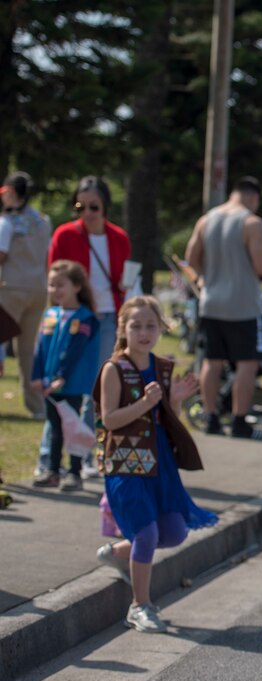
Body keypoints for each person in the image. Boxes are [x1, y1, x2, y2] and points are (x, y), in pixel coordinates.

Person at [93, 296, 217, 632]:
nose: (144, 332)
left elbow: (166, 420)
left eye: (151, 325)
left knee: (174, 533)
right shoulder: (114, 369)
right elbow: (110, 419)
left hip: (159, 465)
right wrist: (145, 402)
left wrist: (173, 400)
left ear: (161, 328)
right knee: (146, 533)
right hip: (124, 465)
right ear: (123, 328)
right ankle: (140, 606)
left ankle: (117, 553)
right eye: (136, 326)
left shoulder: (162, 367)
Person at [47, 176, 132, 479]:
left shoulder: (118, 237)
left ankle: (83, 457)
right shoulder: (66, 234)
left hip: (107, 317)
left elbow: (126, 276)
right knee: (64, 387)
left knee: (96, 390)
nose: (87, 211)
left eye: (93, 205)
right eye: (80, 205)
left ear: (105, 205)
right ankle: (51, 459)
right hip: (73, 318)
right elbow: (53, 279)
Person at [185, 176, 262, 440]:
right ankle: (239, 421)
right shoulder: (252, 222)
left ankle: (211, 416)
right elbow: (261, 265)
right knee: (246, 364)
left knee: (212, 362)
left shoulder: (207, 220)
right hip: (243, 305)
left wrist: (203, 278)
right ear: (254, 198)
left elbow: (191, 257)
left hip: (211, 303)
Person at [30, 261, 100, 490]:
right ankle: (52, 470)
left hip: (71, 384)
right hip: (50, 383)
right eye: (51, 285)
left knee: (72, 429)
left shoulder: (85, 317)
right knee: (54, 428)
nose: (55, 290)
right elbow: (39, 347)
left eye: (60, 285)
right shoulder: (50, 314)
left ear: (77, 286)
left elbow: (75, 349)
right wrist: (37, 375)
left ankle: (75, 473)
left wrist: (62, 376)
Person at [0, 172, 52, 419]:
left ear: (14, 193)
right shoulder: (43, 221)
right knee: (28, 351)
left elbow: (1, 254)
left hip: (10, 289)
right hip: (39, 289)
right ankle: (37, 407)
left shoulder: (6, 222)